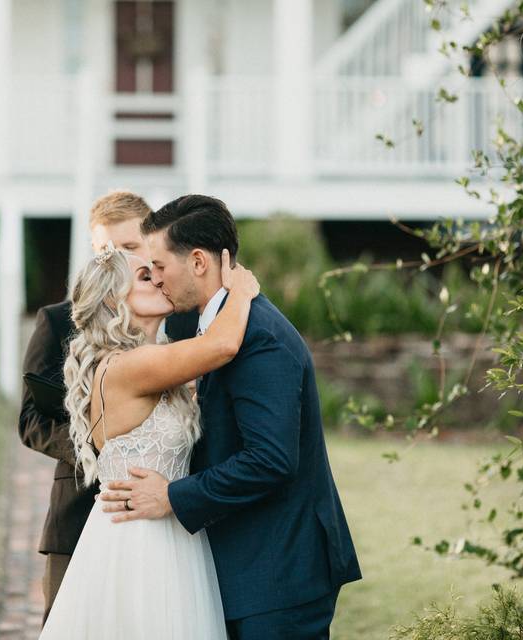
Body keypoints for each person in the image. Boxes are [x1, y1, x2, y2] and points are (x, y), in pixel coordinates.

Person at [99, 195, 361, 639]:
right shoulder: (199, 327)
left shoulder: (261, 338)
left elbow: (271, 459)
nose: (155, 278)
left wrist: (174, 496)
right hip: (238, 565)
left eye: (159, 266)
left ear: (198, 261)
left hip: (279, 574)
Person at [38, 245, 260, 638]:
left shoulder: (151, 361)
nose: (158, 278)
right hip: (140, 545)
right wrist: (240, 292)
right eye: (144, 276)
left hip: (167, 531)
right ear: (113, 299)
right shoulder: (127, 366)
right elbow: (221, 347)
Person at [18, 190, 197, 623]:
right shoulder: (60, 319)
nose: (115, 259)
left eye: (129, 248)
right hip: (80, 504)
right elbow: (30, 421)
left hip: (170, 510)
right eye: (104, 250)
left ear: (154, 244)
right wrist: (107, 447)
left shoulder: (185, 316)